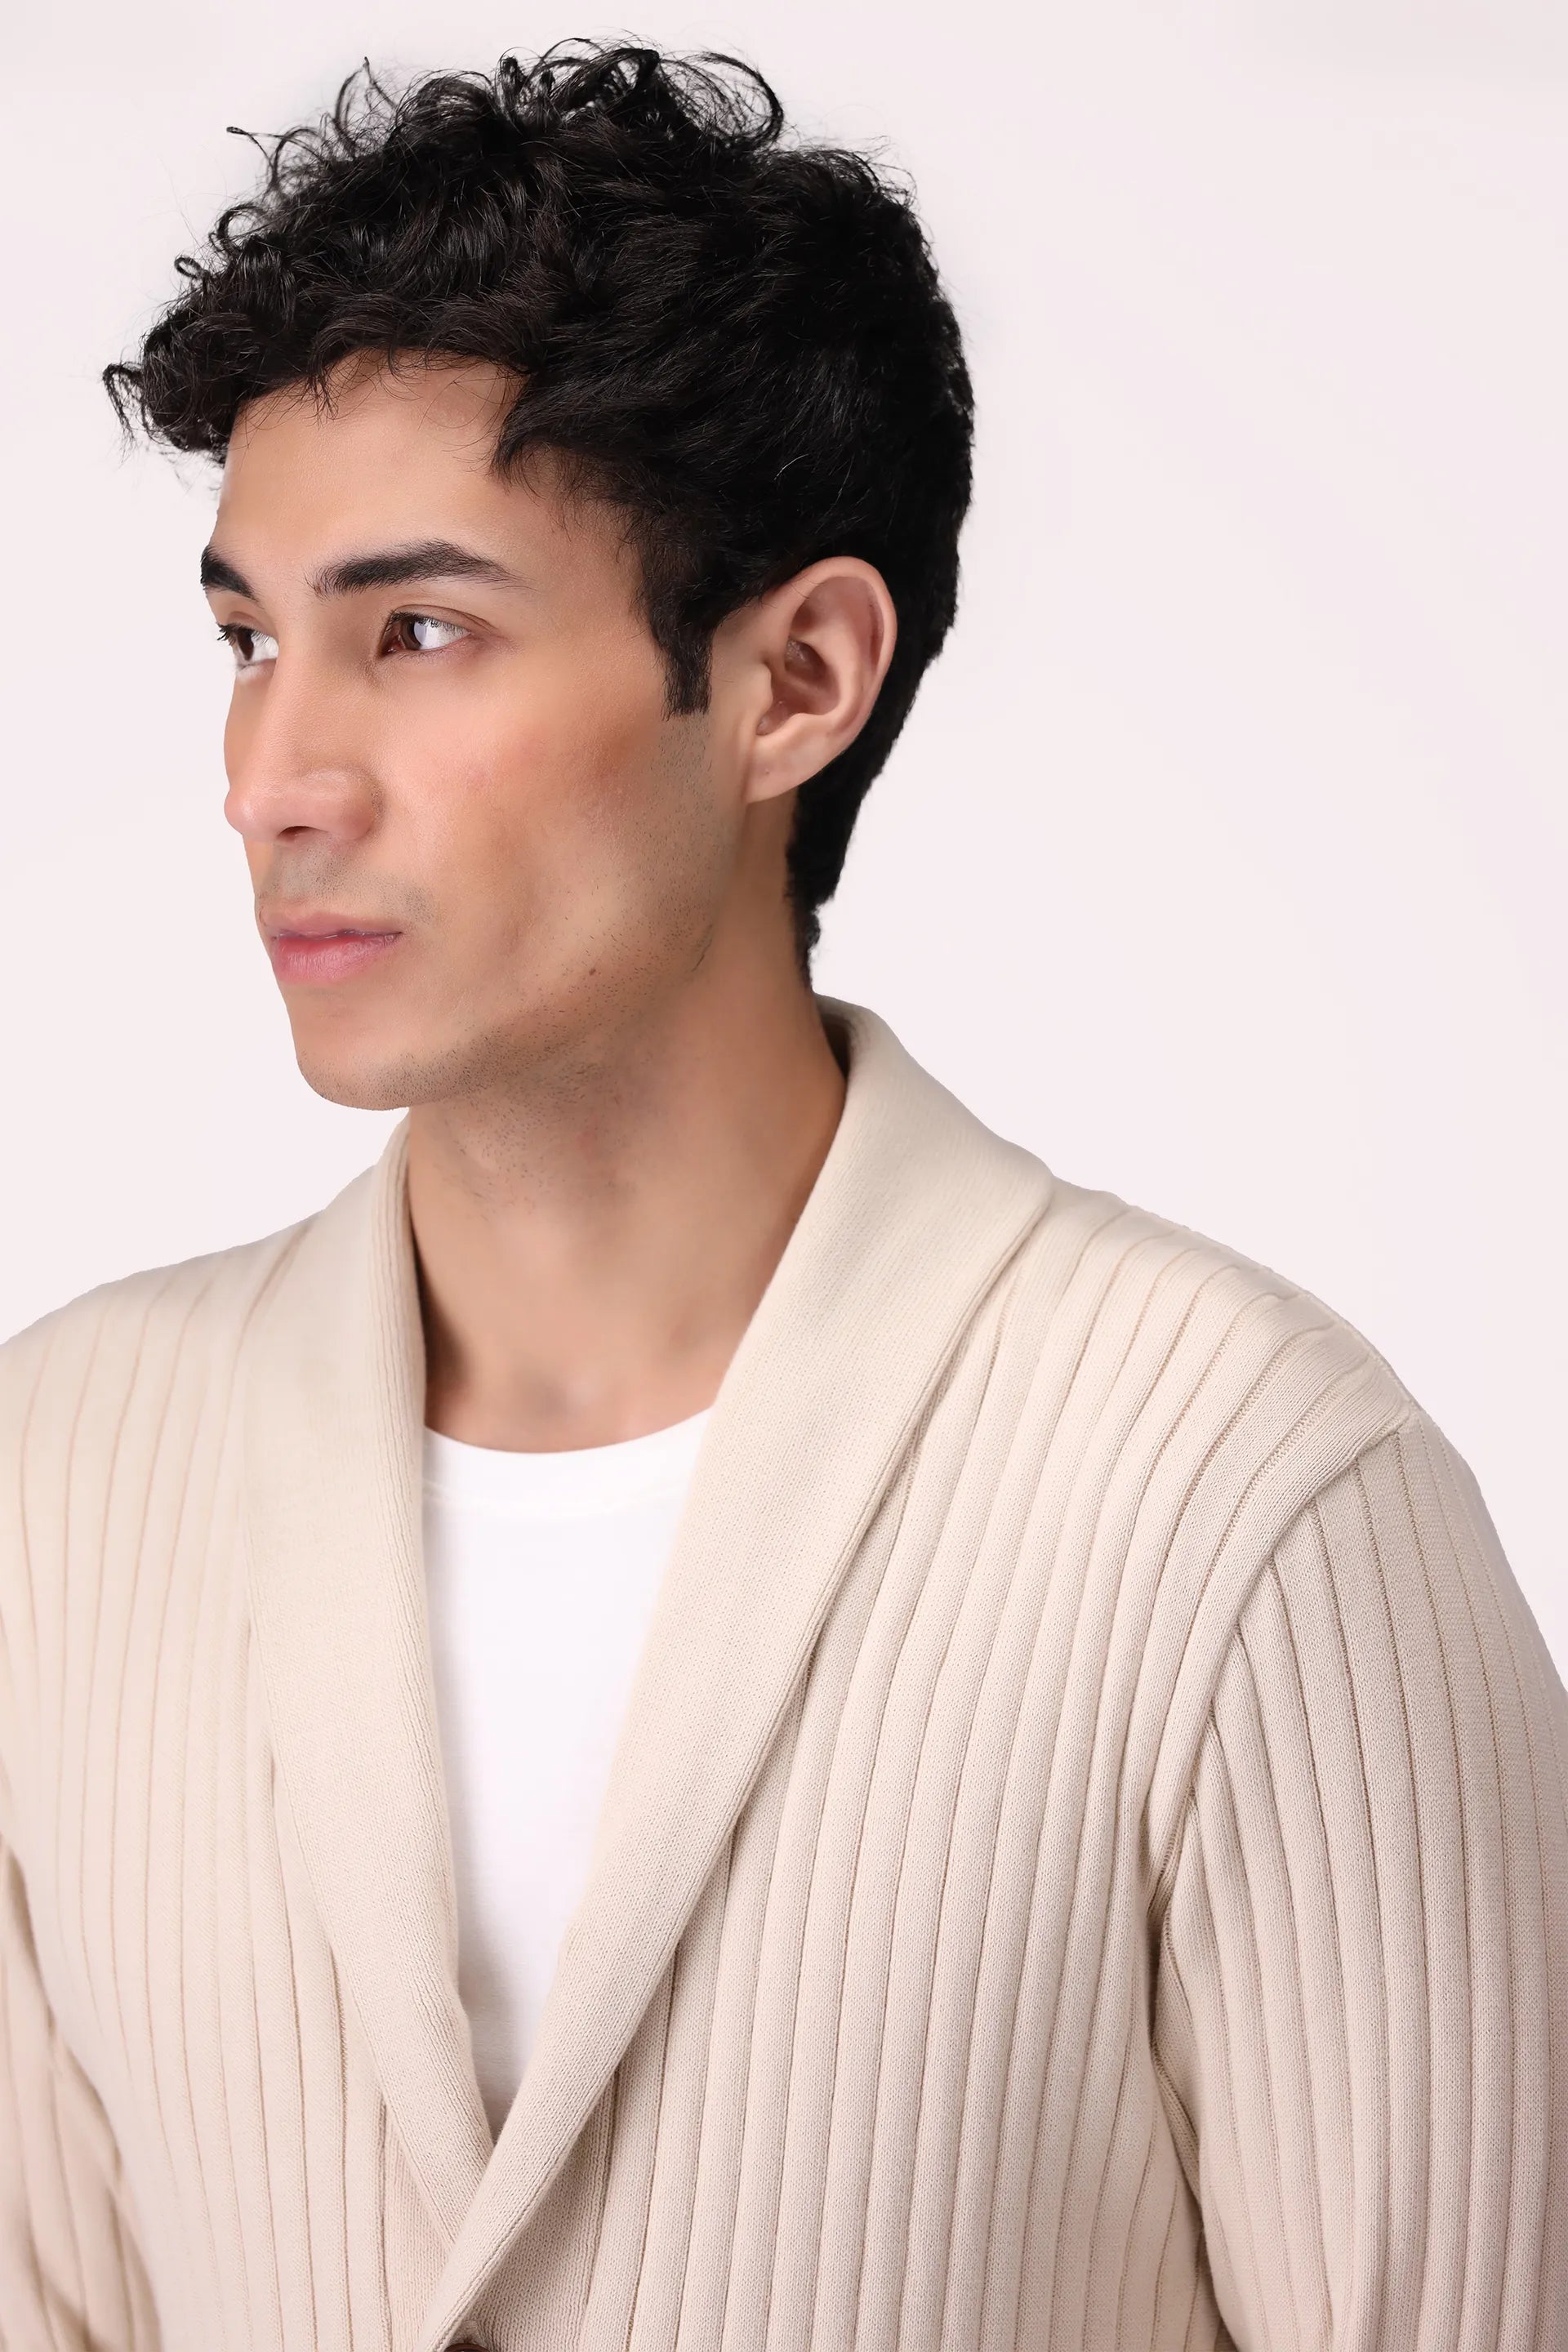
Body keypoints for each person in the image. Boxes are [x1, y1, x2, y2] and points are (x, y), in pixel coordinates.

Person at [1, 41, 1563, 2352]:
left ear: (794, 681)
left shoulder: (1241, 1499)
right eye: (250, 640)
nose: (273, 778)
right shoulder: (59, 1482)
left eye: (415, 633)